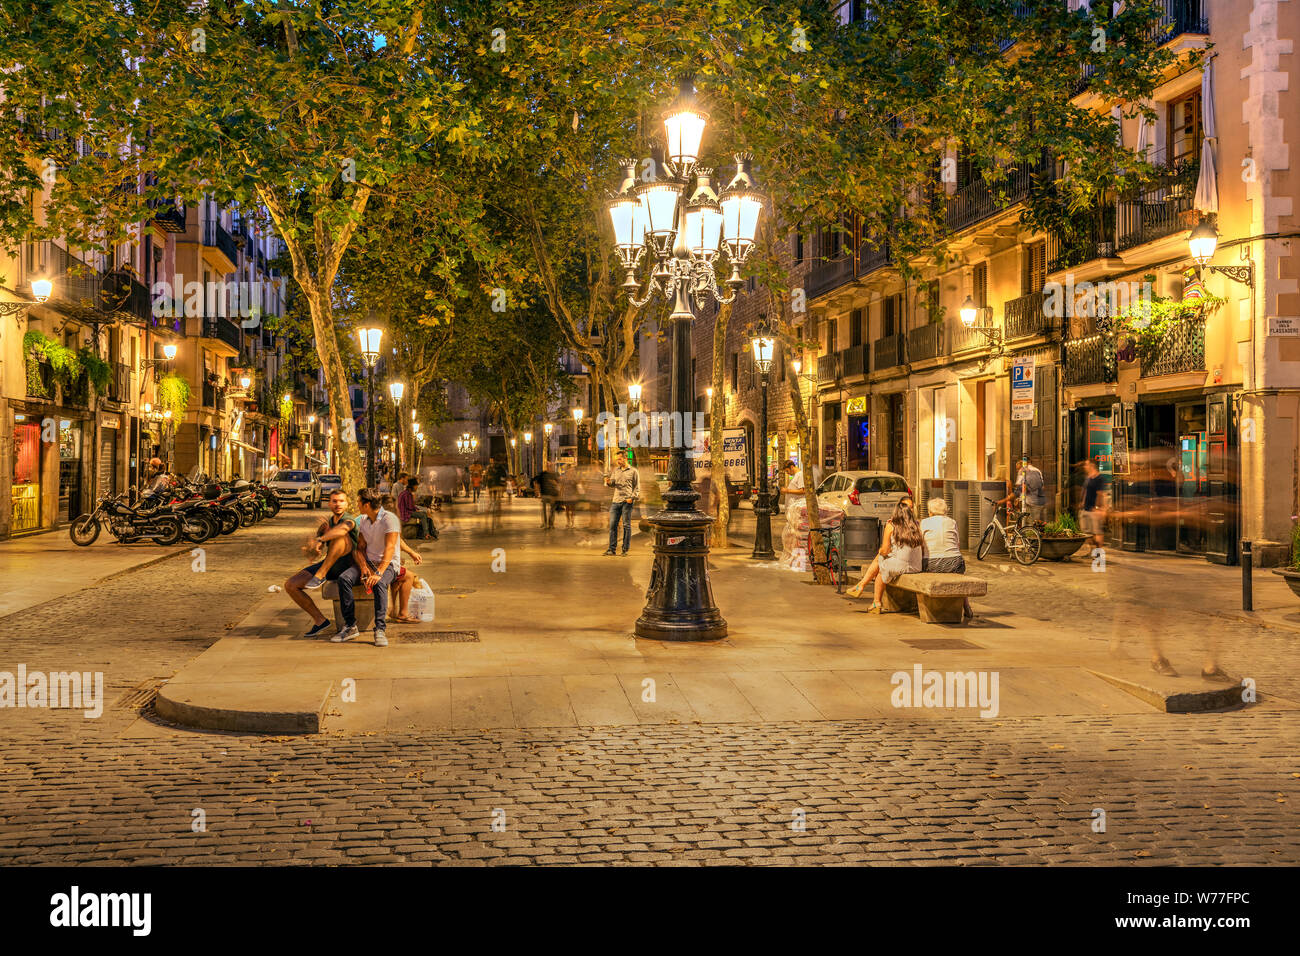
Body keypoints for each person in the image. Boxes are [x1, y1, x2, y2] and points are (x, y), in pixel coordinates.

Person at [284, 489, 359, 638]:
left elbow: (344, 529)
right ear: (329, 503)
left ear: (347, 503)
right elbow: (319, 539)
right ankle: (320, 620)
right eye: (335, 501)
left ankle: (321, 574)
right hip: (330, 564)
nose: (338, 504)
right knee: (291, 585)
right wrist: (313, 547)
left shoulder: (349, 520)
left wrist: (320, 540)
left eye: (341, 501)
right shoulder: (329, 522)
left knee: (340, 537)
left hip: (348, 566)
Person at [332, 488, 402, 647]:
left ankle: (380, 629)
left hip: (388, 564)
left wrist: (378, 573)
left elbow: (390, 548)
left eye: (358, 502)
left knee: (379, 583)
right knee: (344, 579)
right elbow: (360, 548)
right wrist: (363, 567)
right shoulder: (363, 519)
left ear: (367, 504)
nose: (356, 504)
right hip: (368, 562)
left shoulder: (389, 519)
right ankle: (350, 625)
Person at [846, 498, 924, 612]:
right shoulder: (917, 525)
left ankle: (874, 601)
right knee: (883, 561)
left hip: (900, 566)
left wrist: (880, 551)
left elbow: (885, 550)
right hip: (916, 566)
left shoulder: (891, 525)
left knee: (880, 561)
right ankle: (861, 586)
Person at [919, 498, 974, 621]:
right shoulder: (952, 522)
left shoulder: (924, 522)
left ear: (930, 512)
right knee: (959, 576)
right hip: (954, 562)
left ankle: (926, 607)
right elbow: (957, 545)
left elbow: (921, 546)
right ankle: (966, 606)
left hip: (932, 563)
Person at [380, 493, 425, 623]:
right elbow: (392, 544)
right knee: (409, 577)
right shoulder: (389, 520)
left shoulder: (382, 519)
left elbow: (397, 541)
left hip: (386, 562)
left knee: (399, 577)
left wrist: (410, 553)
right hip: (383, 564)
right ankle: (403, 613)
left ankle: (394, 610)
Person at [603, 449, 641, 555]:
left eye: (619, 459)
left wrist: (632, 498)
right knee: (612, 525)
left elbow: (637, 487)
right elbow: (613, 484)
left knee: (626, 525)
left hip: (627, 501)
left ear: (625, 458)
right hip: (616, 501)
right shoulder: (616, 471)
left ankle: (625, 549)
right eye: (617, 460)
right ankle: (611, 549)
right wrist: (609, 482)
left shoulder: (633, 471)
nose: (618, 461)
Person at [1012, 454, 1048, 524]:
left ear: (1023, 462)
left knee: (1029, 523)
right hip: (1038, 500)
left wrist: (1019, 498)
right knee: (1035, 523)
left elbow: (1021, 487)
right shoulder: (1037, 470)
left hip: (1028, 501)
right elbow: (1042, 486)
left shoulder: (1023, 471)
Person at [1081, 457, 1107, 550]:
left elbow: (1100, 494)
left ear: (1092, 465)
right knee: (1087, 533)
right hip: (1086, 509)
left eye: (1086, 464)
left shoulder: (1099, 478)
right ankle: (1093, 550)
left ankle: (1098, 552)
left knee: (1097, 532)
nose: (1085, 466)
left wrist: (1099, 508)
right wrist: (1082, 503)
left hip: (1094, 510)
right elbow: (1085, 491)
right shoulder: (1088, 478)